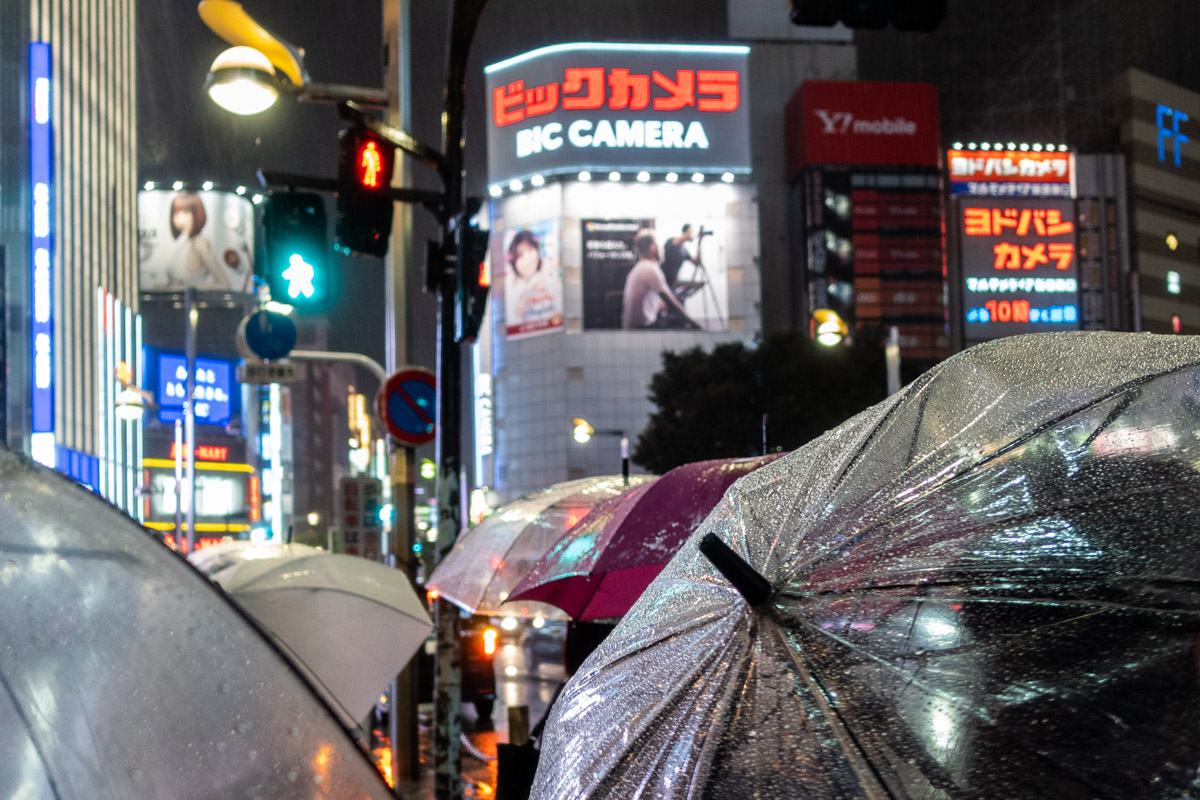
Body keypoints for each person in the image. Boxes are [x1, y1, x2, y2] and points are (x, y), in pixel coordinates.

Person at [621, 230, 701, 330]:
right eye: (660, 247)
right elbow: (673, 305)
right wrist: (697, 326)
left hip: (634, 329)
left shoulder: (640, 268)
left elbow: (653, 306)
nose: (663, 250)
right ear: (652, 247)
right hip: (641, 330)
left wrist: (678, 296)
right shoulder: (650, 269)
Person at [166, 192, 230, 290]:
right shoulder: (183, 244)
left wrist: (191, 289)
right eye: (177, 214)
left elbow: (224, 284)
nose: (181, 220)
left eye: (186, 213)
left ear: (196, 213)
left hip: (193, 303)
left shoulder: (200, 243)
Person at [505, 230, 562, 329]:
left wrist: (548, 295)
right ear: (513, 262)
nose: (527, 259)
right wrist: (518, 314)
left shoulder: (550, 274)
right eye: (520, 256)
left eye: (530, 250)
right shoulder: (510, 287)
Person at [660, 224, 696, 288]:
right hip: (662, 277)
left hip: (672, 281)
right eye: (692, 231)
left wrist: (700, 243)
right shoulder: (671, 241)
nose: (693, 233)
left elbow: (696, 262)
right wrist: (687, 237)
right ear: (686, 232)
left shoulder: (684, 251)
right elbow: (676, 242)